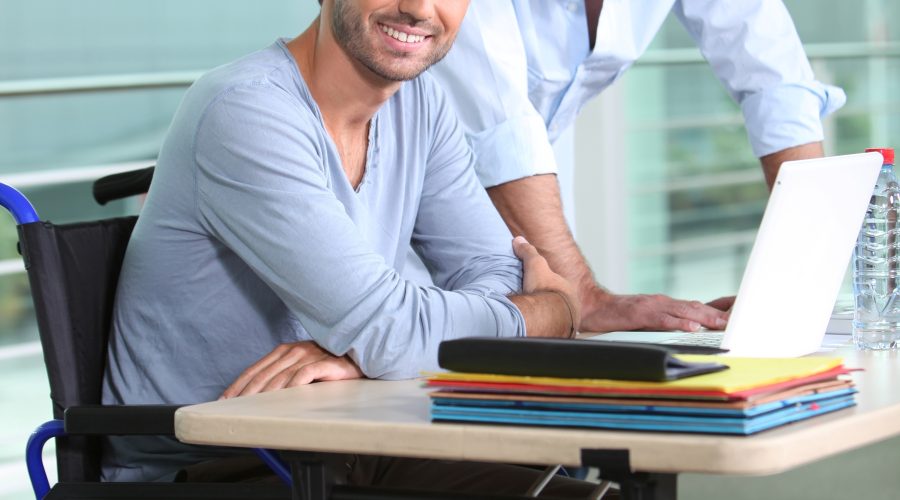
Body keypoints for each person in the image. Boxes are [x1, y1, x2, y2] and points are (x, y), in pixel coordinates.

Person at [101, 0, 594, 496]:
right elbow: (391, 331)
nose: (418, 8)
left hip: (356, 444)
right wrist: (552, 310)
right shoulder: (245, 109)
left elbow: (494, 270)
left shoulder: (421, 102)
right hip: (219, 467)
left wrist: (371, 349)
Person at [428, 0, 845, 333]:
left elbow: (774, 77)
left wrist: (802, 269)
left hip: (536, 197)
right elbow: (498, 121)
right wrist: (580, 294)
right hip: (421, 206)